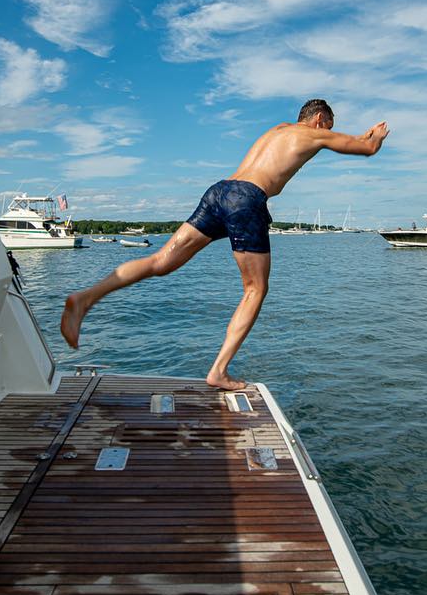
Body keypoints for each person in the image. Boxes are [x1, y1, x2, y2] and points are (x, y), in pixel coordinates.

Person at [60, 99, 389, 390]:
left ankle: (84, 299)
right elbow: (366, 149)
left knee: (161, 262)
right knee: (255, 290)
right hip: (247, 201)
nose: (329, 134)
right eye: (329, 127)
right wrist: (375, 136)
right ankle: (218, 371)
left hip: (220, 191)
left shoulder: (279, 129)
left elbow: (352, 140)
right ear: (319, 120)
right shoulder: (314, 133)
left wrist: (362, 135)